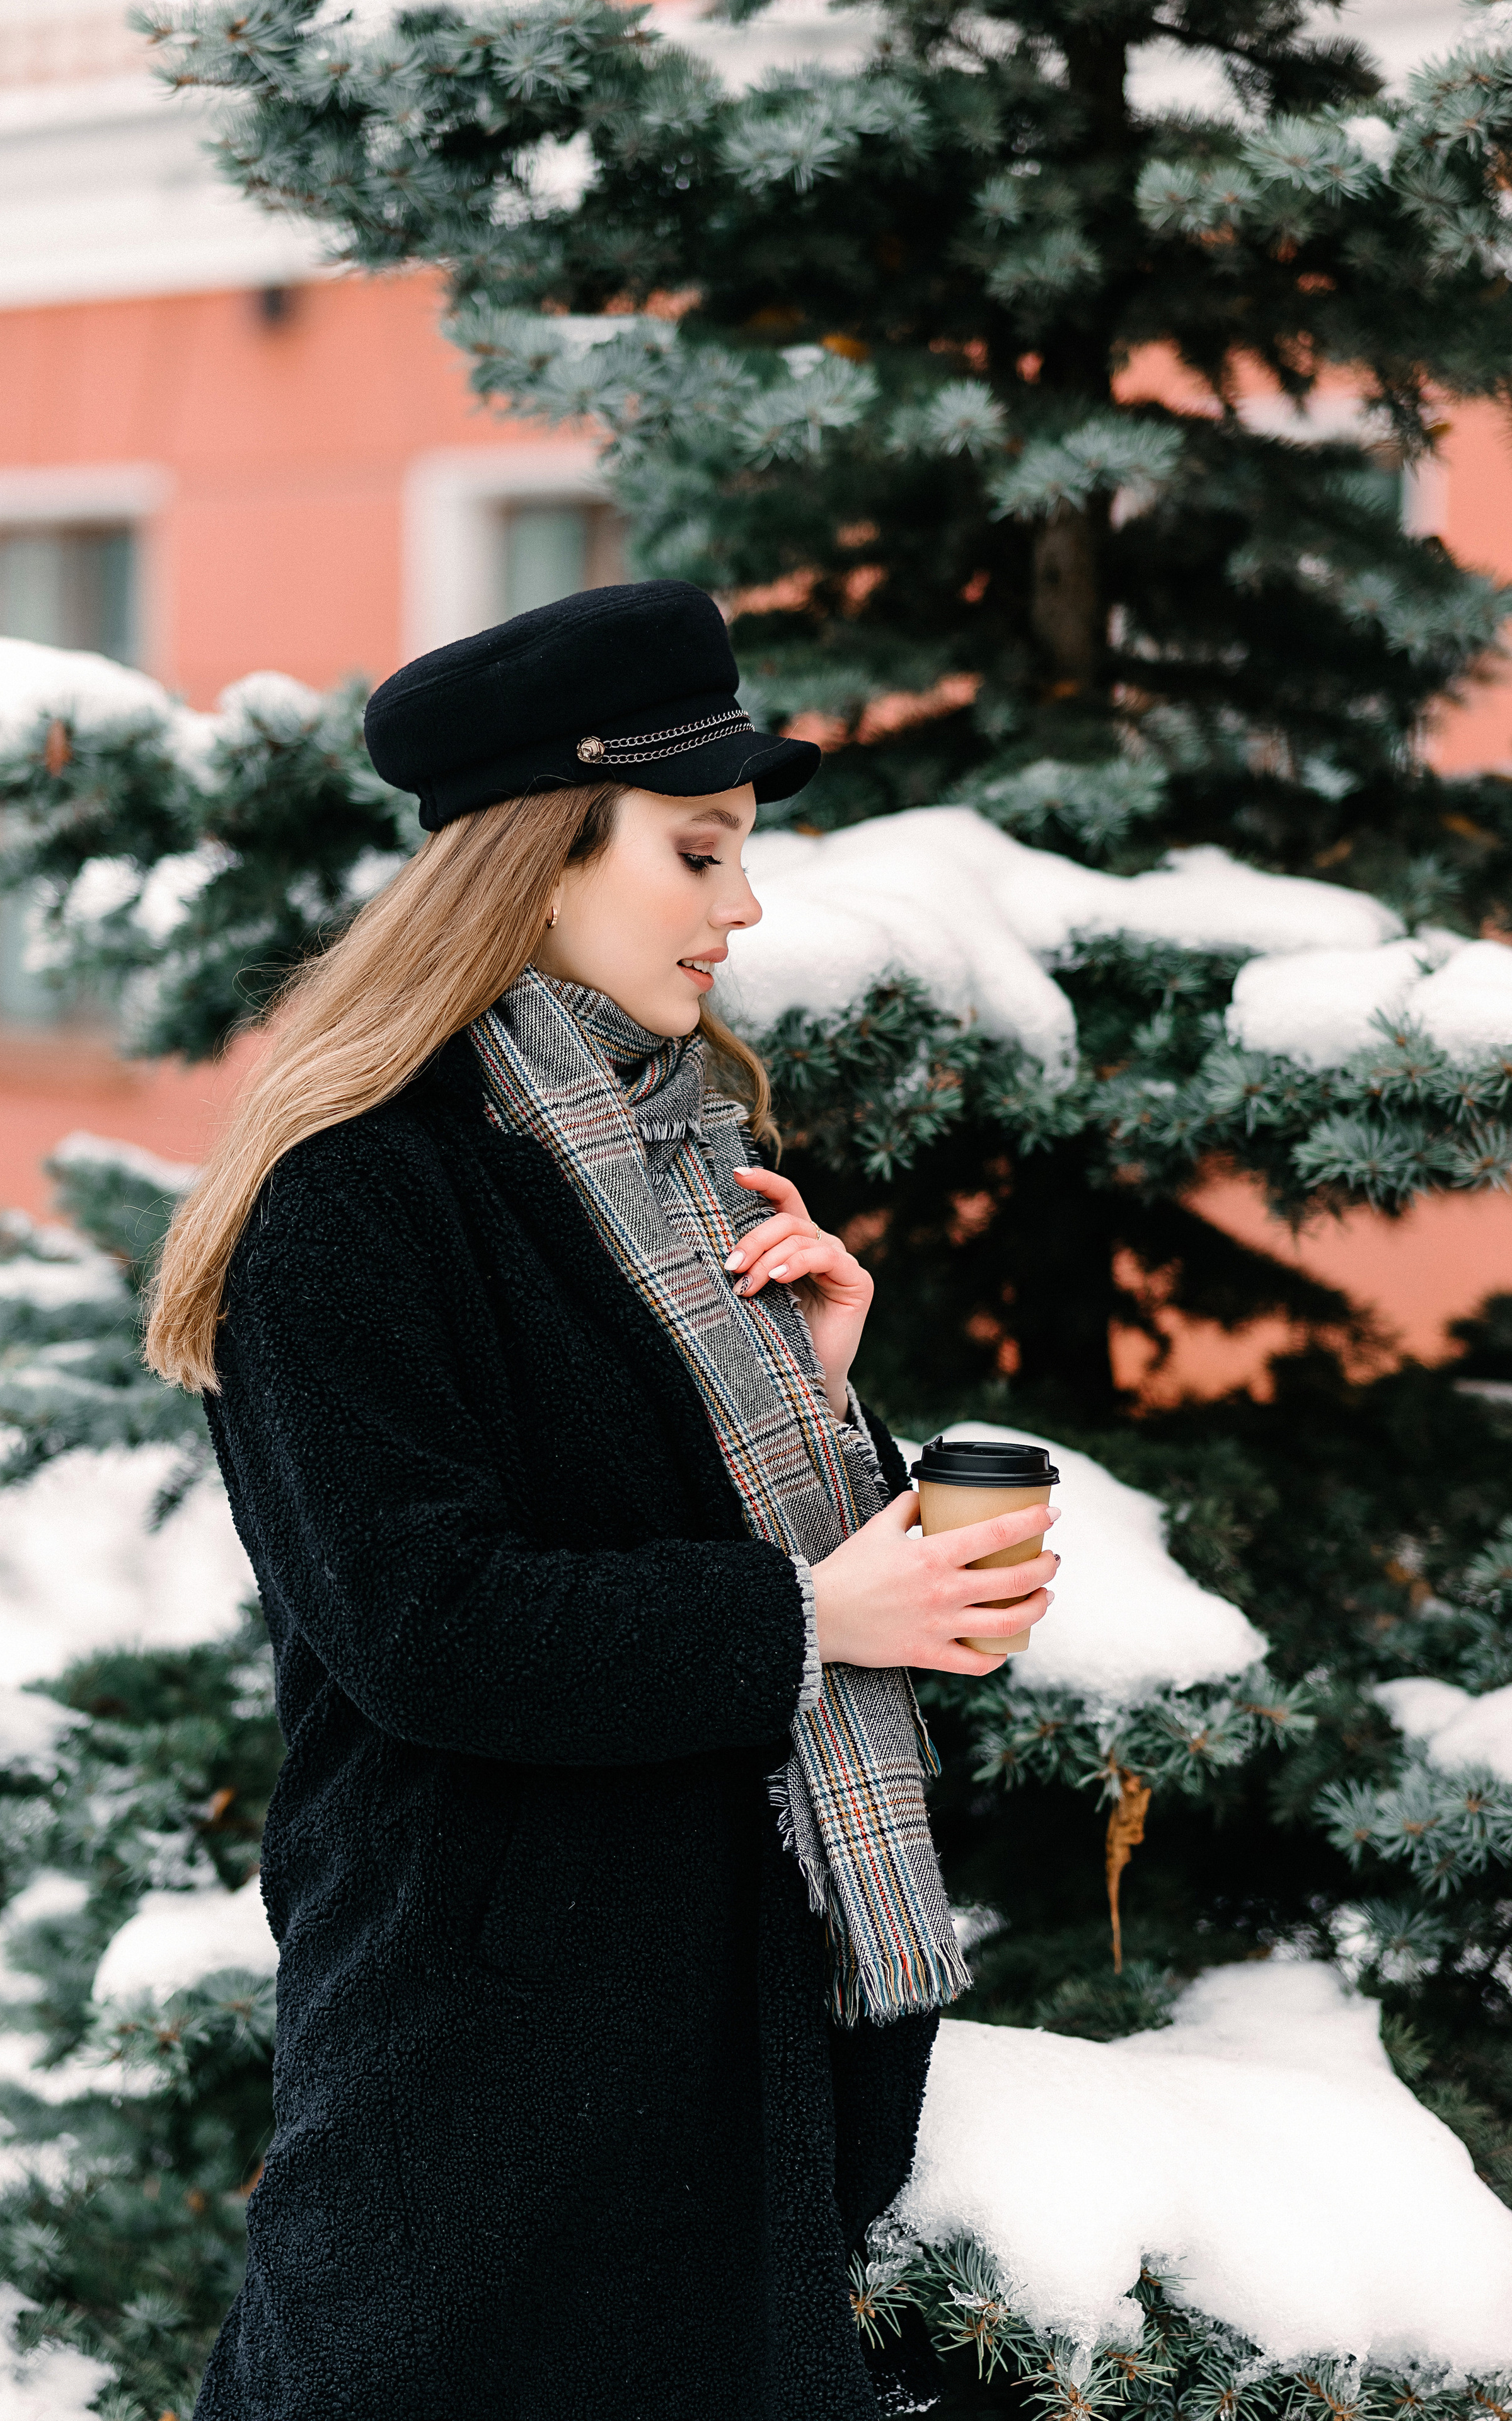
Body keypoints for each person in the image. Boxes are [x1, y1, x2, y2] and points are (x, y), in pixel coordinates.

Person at [146, 581, 1058, 2420]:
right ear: (539, 864)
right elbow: (430, 1627)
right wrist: (813, 1615)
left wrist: (824, 1409)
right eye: (701, 852)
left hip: (725, 2029)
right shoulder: (355, 1201)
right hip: (489, 2070)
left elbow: (681, 1534)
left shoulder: (672, 1149)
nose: (746, 906)